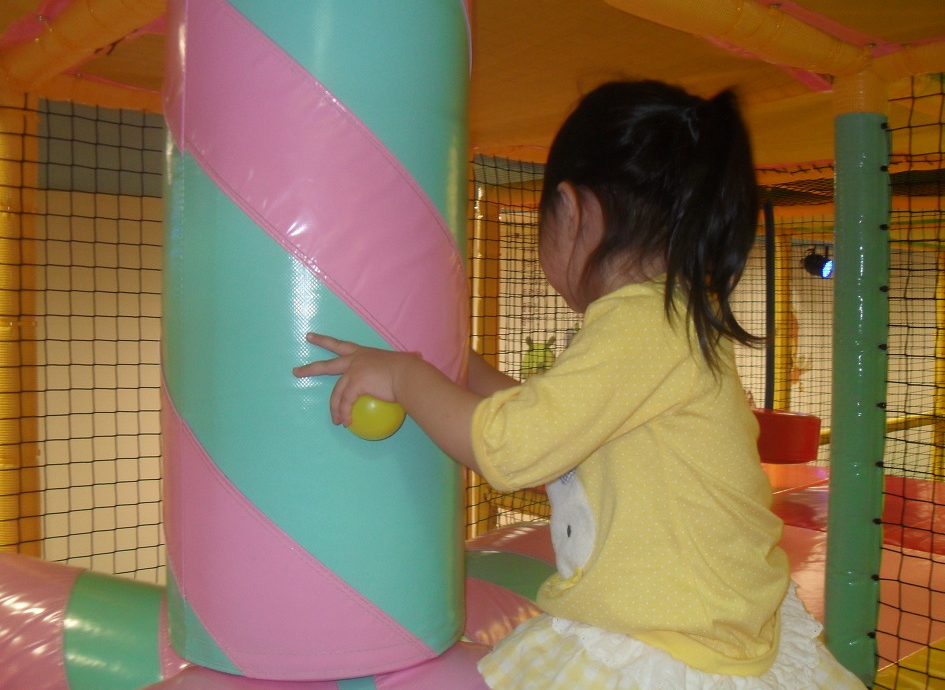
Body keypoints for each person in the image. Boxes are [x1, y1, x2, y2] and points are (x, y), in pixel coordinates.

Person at [293, 81, 864, 689]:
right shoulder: (672, 317)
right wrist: (454, 364)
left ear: (570, 210)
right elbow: (553, 425)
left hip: (672, 645)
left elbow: (512, 448)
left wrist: (407, 378)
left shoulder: (642, 323)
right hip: (708, 627)